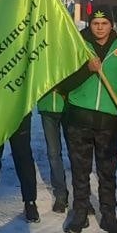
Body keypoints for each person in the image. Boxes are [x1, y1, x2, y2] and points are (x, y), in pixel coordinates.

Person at [56, 8, 117, 233]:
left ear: (112, 25)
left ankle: (108, 216)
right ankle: (80, 213)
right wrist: (86, 71)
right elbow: (62, 83)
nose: (99, 27)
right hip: (79, 118)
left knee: (107, 171)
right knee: (80, 170)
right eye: (95, 23)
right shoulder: (78, 46)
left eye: (104, 23)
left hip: (108, 120)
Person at [35, 85, 69, 214]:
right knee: (53, 153)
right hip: (47, 105)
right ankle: (60, 195)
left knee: (76, 153)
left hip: (69, 105)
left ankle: (82, 199)